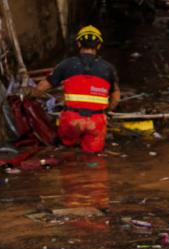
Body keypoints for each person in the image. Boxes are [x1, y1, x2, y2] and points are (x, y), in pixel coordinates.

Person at [36, 25, 120, 154]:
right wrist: (106, 112)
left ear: (79, 43)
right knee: (93, 157)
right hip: (96, 122)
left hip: (71, 120)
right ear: (98, 46)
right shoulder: (108, 68)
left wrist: (29, 97)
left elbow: (42, 88)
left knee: (67, 152)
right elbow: (115, 98)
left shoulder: (66, 64)